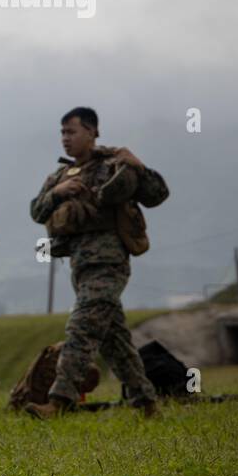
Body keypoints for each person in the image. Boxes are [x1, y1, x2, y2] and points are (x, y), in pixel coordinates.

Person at [26, 107, 169, 419]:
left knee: (81, 328)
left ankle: (59, 401)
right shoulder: (59, 176)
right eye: (62, 133)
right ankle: (146, 403)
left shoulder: (114, 164)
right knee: (115, 340)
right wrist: (57, 194)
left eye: (72, 132)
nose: (66, 139)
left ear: (92, 132)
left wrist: (139, 167)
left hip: (109, 264)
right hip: (80, 267)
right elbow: (36, 211)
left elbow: (158, 194)